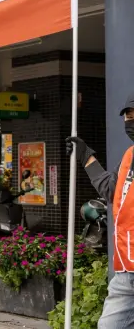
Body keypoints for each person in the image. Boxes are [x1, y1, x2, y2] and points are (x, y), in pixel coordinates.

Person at [69, 91, 134, 329]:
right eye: (129, 115)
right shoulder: (130, 156)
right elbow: (110, 188)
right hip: (127, 271)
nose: (132, 120)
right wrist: (86, 155)